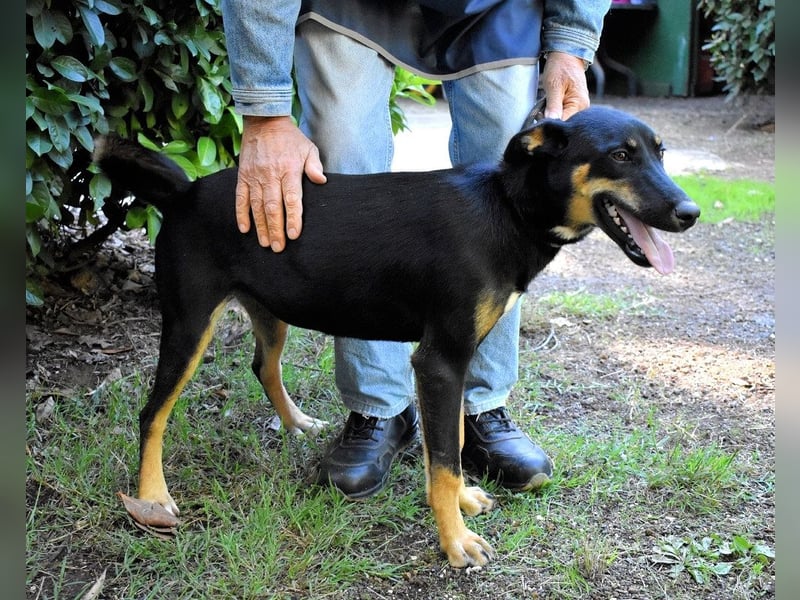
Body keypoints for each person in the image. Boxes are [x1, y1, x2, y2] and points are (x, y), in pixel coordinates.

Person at [220, 0, 611, 498]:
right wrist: (265, 111)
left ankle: (480, 407)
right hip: (347, 7)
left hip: (497, 7)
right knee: (343, 157)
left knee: (509, 160)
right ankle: (377, 407)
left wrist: (571, 45)